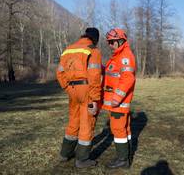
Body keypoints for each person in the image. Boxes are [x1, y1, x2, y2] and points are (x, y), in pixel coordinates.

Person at [56, 27, 102, 168]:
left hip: (72, 89)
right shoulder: (93, 50)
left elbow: (59, 72)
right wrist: (95, 99)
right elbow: (94, 76)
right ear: (95, 38)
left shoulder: (68, 49)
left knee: (74, 120)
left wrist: (67, 87)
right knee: (87, 122)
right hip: (86, 89)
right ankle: (82, 159)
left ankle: (65, 154)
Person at [102, 28, 136, 169]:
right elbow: (113, 73)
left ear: (120, 40)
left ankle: (122, 160)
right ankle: (126, 156)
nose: (110, 45)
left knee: (118, 130)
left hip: (119, 103)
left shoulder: (124, 56)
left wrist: (117, 98)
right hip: (116, 102)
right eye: (108, 42)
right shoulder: (117, 56)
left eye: (112, 42)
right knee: (125, 129)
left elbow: (128, 78)